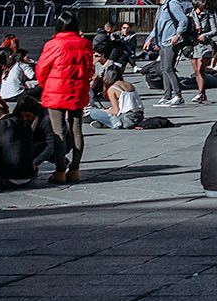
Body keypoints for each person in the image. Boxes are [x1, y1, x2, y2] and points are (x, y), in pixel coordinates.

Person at [33, 11, 93, 184]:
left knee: (58, 131)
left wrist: (46, 84)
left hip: (56, 90)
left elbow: (41, 69)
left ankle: (59, 171)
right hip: (78, 90)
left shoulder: (53, 44)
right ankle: (74, 169)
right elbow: (89, 68)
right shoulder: (85, 44)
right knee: (77, 130)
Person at [144, 0, 194, 108]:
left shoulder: (172, 4)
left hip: (171, 41)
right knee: (164, 68)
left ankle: (178, 95)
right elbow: (158, 26)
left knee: (168, 68)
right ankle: (167, 95)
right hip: (163, 42)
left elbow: (183, 20)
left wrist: (177, 34)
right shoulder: (162, 7)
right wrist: (150, 39)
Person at [87, 64, 144, 130]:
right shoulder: (128, 84)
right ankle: (105, 123)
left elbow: (116, 111)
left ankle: (113, 123)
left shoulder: (112, 89)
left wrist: (104, 110)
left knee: (93, 113)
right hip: (139, 116)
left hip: (127, 119)